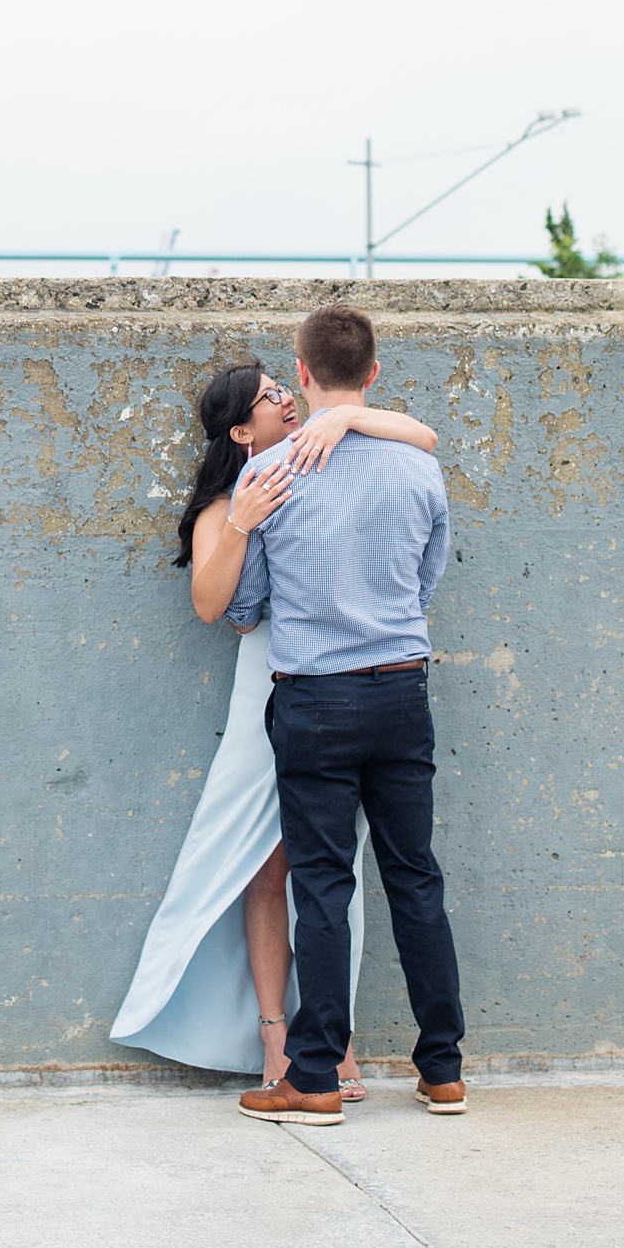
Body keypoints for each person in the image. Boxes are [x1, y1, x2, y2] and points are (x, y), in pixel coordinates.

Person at [110, 357, 438, 1089]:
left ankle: (334, 1039)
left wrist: (347, 414)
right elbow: (213, 606)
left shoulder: (330, 453)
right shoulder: (228, 499)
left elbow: (421, 434)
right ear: (240, 428)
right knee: (269, 866)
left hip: (329, 686)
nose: (286, 400)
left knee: (333, 867)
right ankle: (275, 1036)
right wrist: (241, 521)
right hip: (271, 685)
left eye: (285, 387)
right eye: (267, 398)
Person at [230, 303, 466, 1127]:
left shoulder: (267, 472)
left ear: (299, 373)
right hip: (402, 688)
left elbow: (246, 606)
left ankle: (316, 1077)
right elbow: (427, 576)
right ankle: (443, 1072)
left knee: (322, 885)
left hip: (315, 698)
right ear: (372, 375)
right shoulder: (417, 467)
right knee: (415, 876)